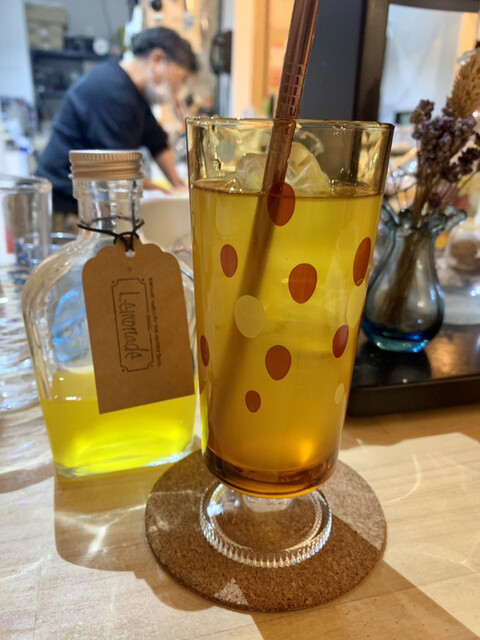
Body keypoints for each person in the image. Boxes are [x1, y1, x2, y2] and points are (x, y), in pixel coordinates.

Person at [35, 26, 198, 230]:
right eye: (179, 79)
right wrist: (168, 195)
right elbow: (121, 170)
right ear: (157, 60)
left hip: (84, 202)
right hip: (65, 205)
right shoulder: (112, 91)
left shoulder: (134, 92)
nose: (178, 89)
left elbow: (157, 141)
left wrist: (178, 185)